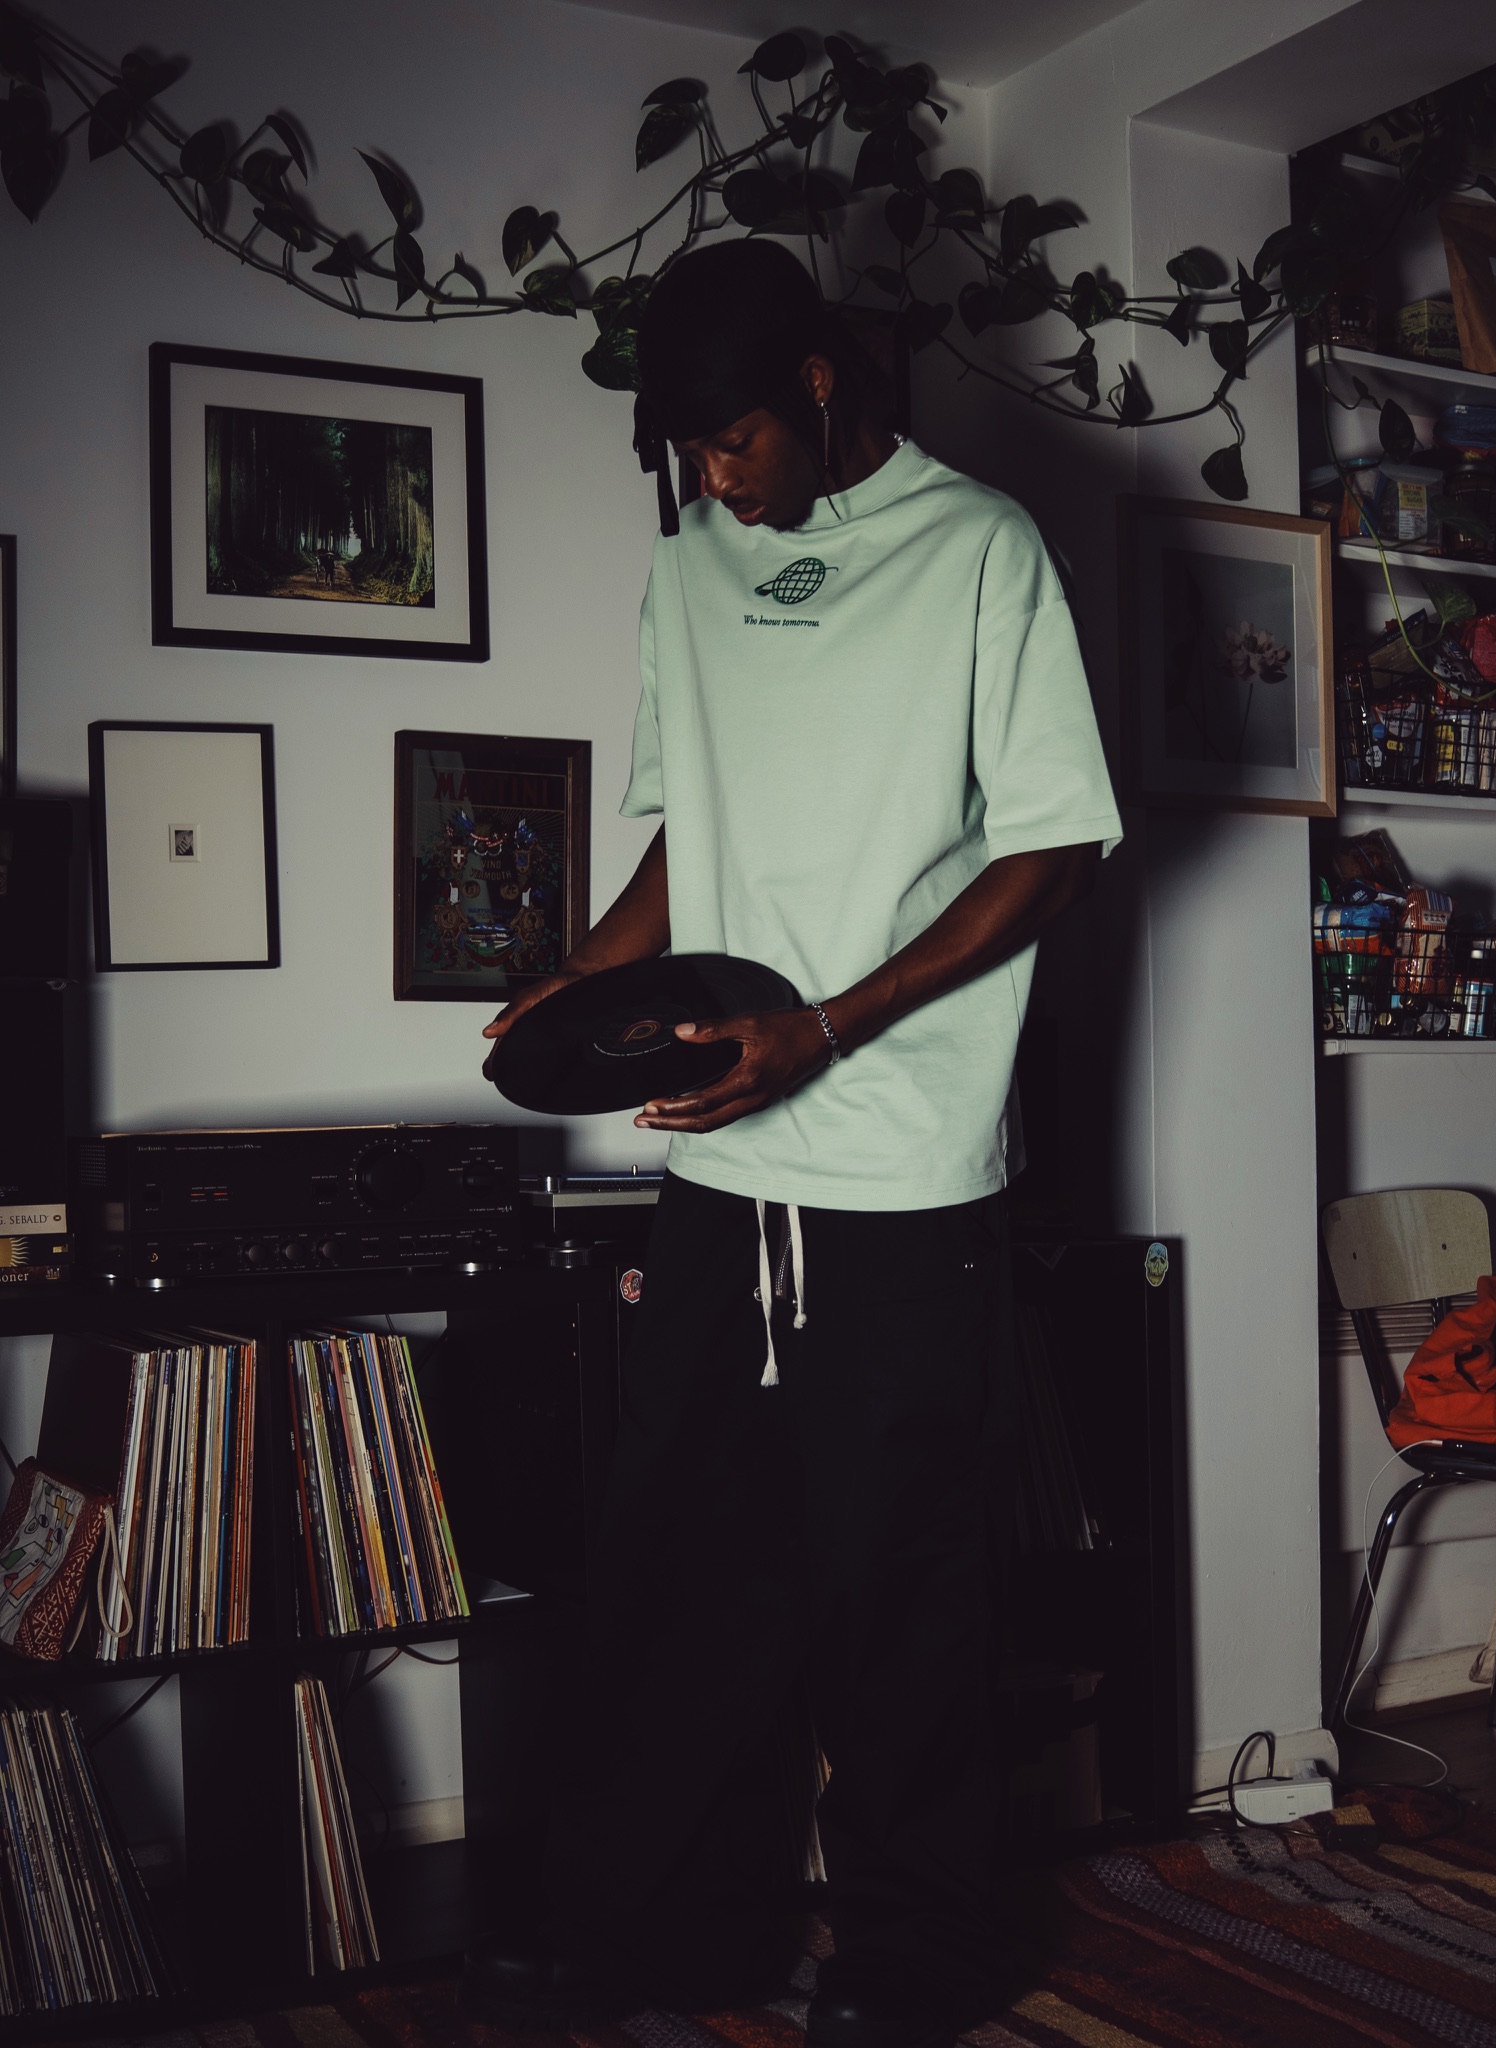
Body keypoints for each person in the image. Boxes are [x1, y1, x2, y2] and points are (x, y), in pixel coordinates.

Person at [462, 237, 1121, 2048]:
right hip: (719, 1174)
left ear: (820, 384)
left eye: (734, 438)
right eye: (687, 451)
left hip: (901, 1175)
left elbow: (1054, 842)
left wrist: (826, 1026)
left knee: (902, 1597)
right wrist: (583, 979)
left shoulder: (980, 548)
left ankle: (918, 1963)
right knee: (682, 1585)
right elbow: (692, 826)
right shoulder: (689, 565)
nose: (715, 478)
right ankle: (671, 1942)